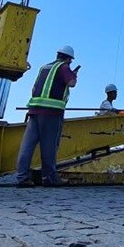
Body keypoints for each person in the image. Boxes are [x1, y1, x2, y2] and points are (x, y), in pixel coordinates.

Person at [15, 45, 78, 187]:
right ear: (68, 59)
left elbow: (34, 88)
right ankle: (49, 178)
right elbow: (71, 83)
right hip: (51, 113)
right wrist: (73, 75)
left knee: (27, 146)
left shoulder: (44, 67)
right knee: (49, 146)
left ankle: (21, 177)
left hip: (34, 110)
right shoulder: (64, 67)